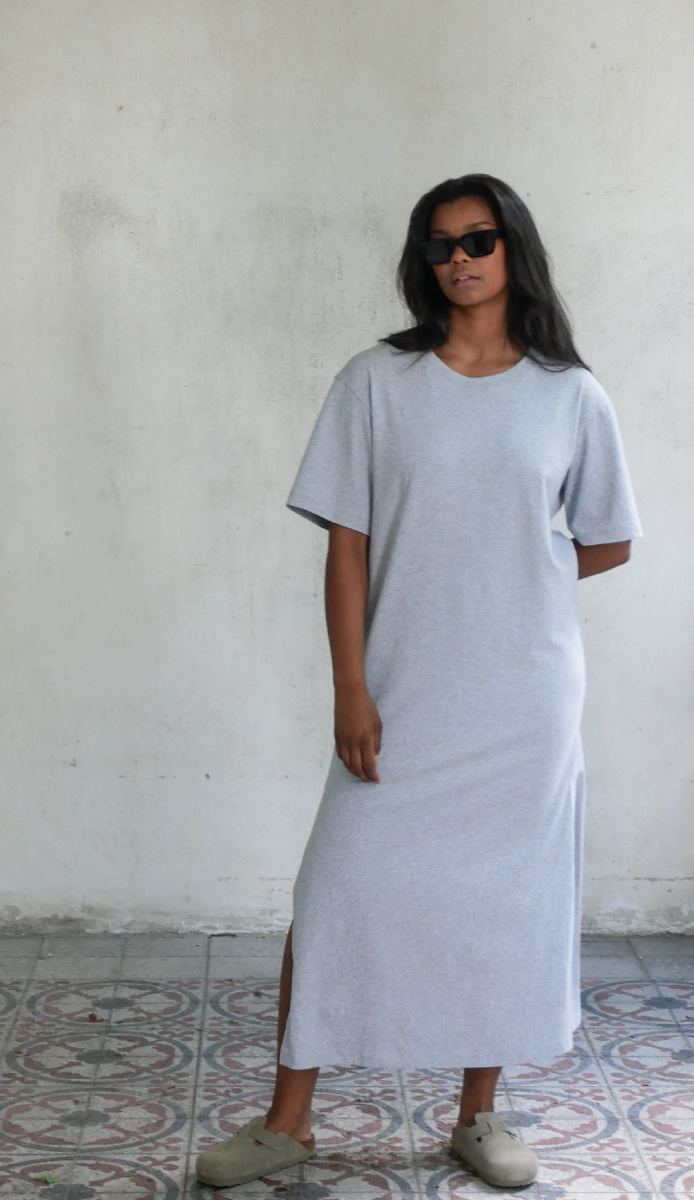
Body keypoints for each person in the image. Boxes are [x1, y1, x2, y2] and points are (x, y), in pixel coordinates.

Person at [196, 174, 642, 1190]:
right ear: (422, 261)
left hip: (524, 697)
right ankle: (288, 1121)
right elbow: (346, 546)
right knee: (335, 890)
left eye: (478, 239)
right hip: (401, 685)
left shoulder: (570, 394)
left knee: (503, 899)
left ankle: (477, 1114)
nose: (460, 259)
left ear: (512, 248)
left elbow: (609, 538)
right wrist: (349, 689)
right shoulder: (376, 383)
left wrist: (517, 573)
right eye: (440, 245)